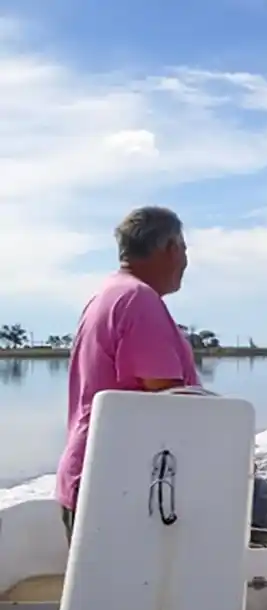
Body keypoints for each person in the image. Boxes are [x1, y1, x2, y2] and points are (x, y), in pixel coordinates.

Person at [55, 206, 199, 543]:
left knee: (101, 596)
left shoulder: (108, 295)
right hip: (114, 490)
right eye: (185, 250)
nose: (185, 262)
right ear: (171, 248)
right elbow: (169, 400)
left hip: (96, 479)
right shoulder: (138, 301)